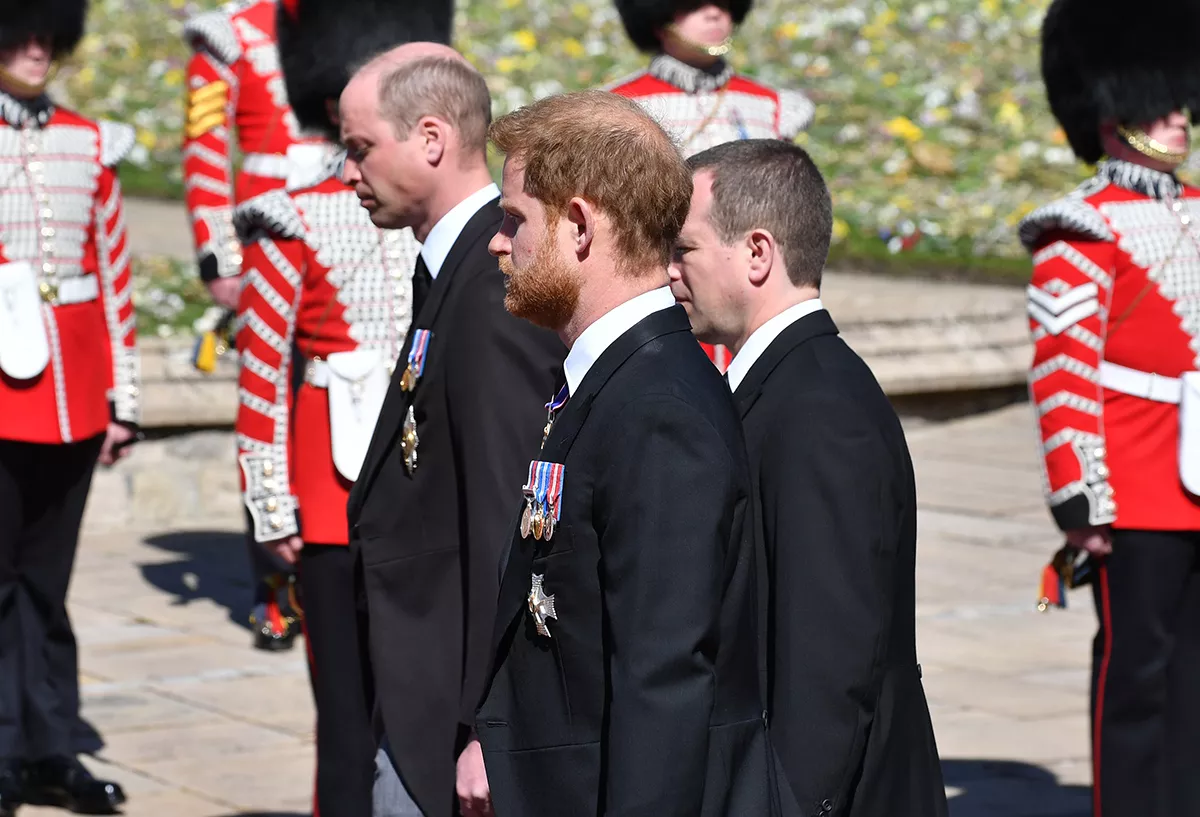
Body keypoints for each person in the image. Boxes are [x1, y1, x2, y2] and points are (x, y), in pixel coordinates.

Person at [474, 90, 773, 817]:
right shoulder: (613, 379)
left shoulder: (658, 409)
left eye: (515, 219)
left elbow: (662, 681)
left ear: (579, 225)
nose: (497, 243)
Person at [668, 138, 949, 817]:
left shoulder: (819, 408)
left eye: (685, 249)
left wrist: (785, 804)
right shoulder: (788, 383)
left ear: (757, 253)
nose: (669, 271)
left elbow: (829, 654)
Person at [339, 44, 564, 817]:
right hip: (419, 690)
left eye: (361, 147)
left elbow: (510, 522)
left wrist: (491, 725)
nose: (348, 171)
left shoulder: (488, 289)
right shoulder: (458, 271)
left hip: (448, 716)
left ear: (430, 139)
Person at [231, 2, 434, 814]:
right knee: (347, 714)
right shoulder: (291, 217)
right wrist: (271, 503)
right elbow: (261, 371)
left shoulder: (439, 218)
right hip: (330, 493)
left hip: (426, 485)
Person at [1019, 1, 1200, 814]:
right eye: (1159, 103)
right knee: (1137, 673)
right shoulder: (1080, 230)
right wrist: (1081, 498)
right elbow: (1064, 375)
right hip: (1136, 488)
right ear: (1111, 112)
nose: (1179, 115)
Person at [0, 1, 137, 813]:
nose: (36, 48)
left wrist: (124, 397)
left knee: (48, 583)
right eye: (19, 33)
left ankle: (52, 746)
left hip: (76, 390)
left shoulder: (88, 141)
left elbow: (113, 271)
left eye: (46, 33)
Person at [183, 0, 308, 651]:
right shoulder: (229, 35)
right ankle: (274, 583)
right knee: (269, 402)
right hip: (264, 241)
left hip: (354, 229)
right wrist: (221, 256)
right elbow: (206, 150)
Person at [607, 0, 813, 372]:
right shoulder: (620, 105)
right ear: (659, 19)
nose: (716, 13)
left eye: (724, 3)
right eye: (694, 5)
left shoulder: (772, 105)